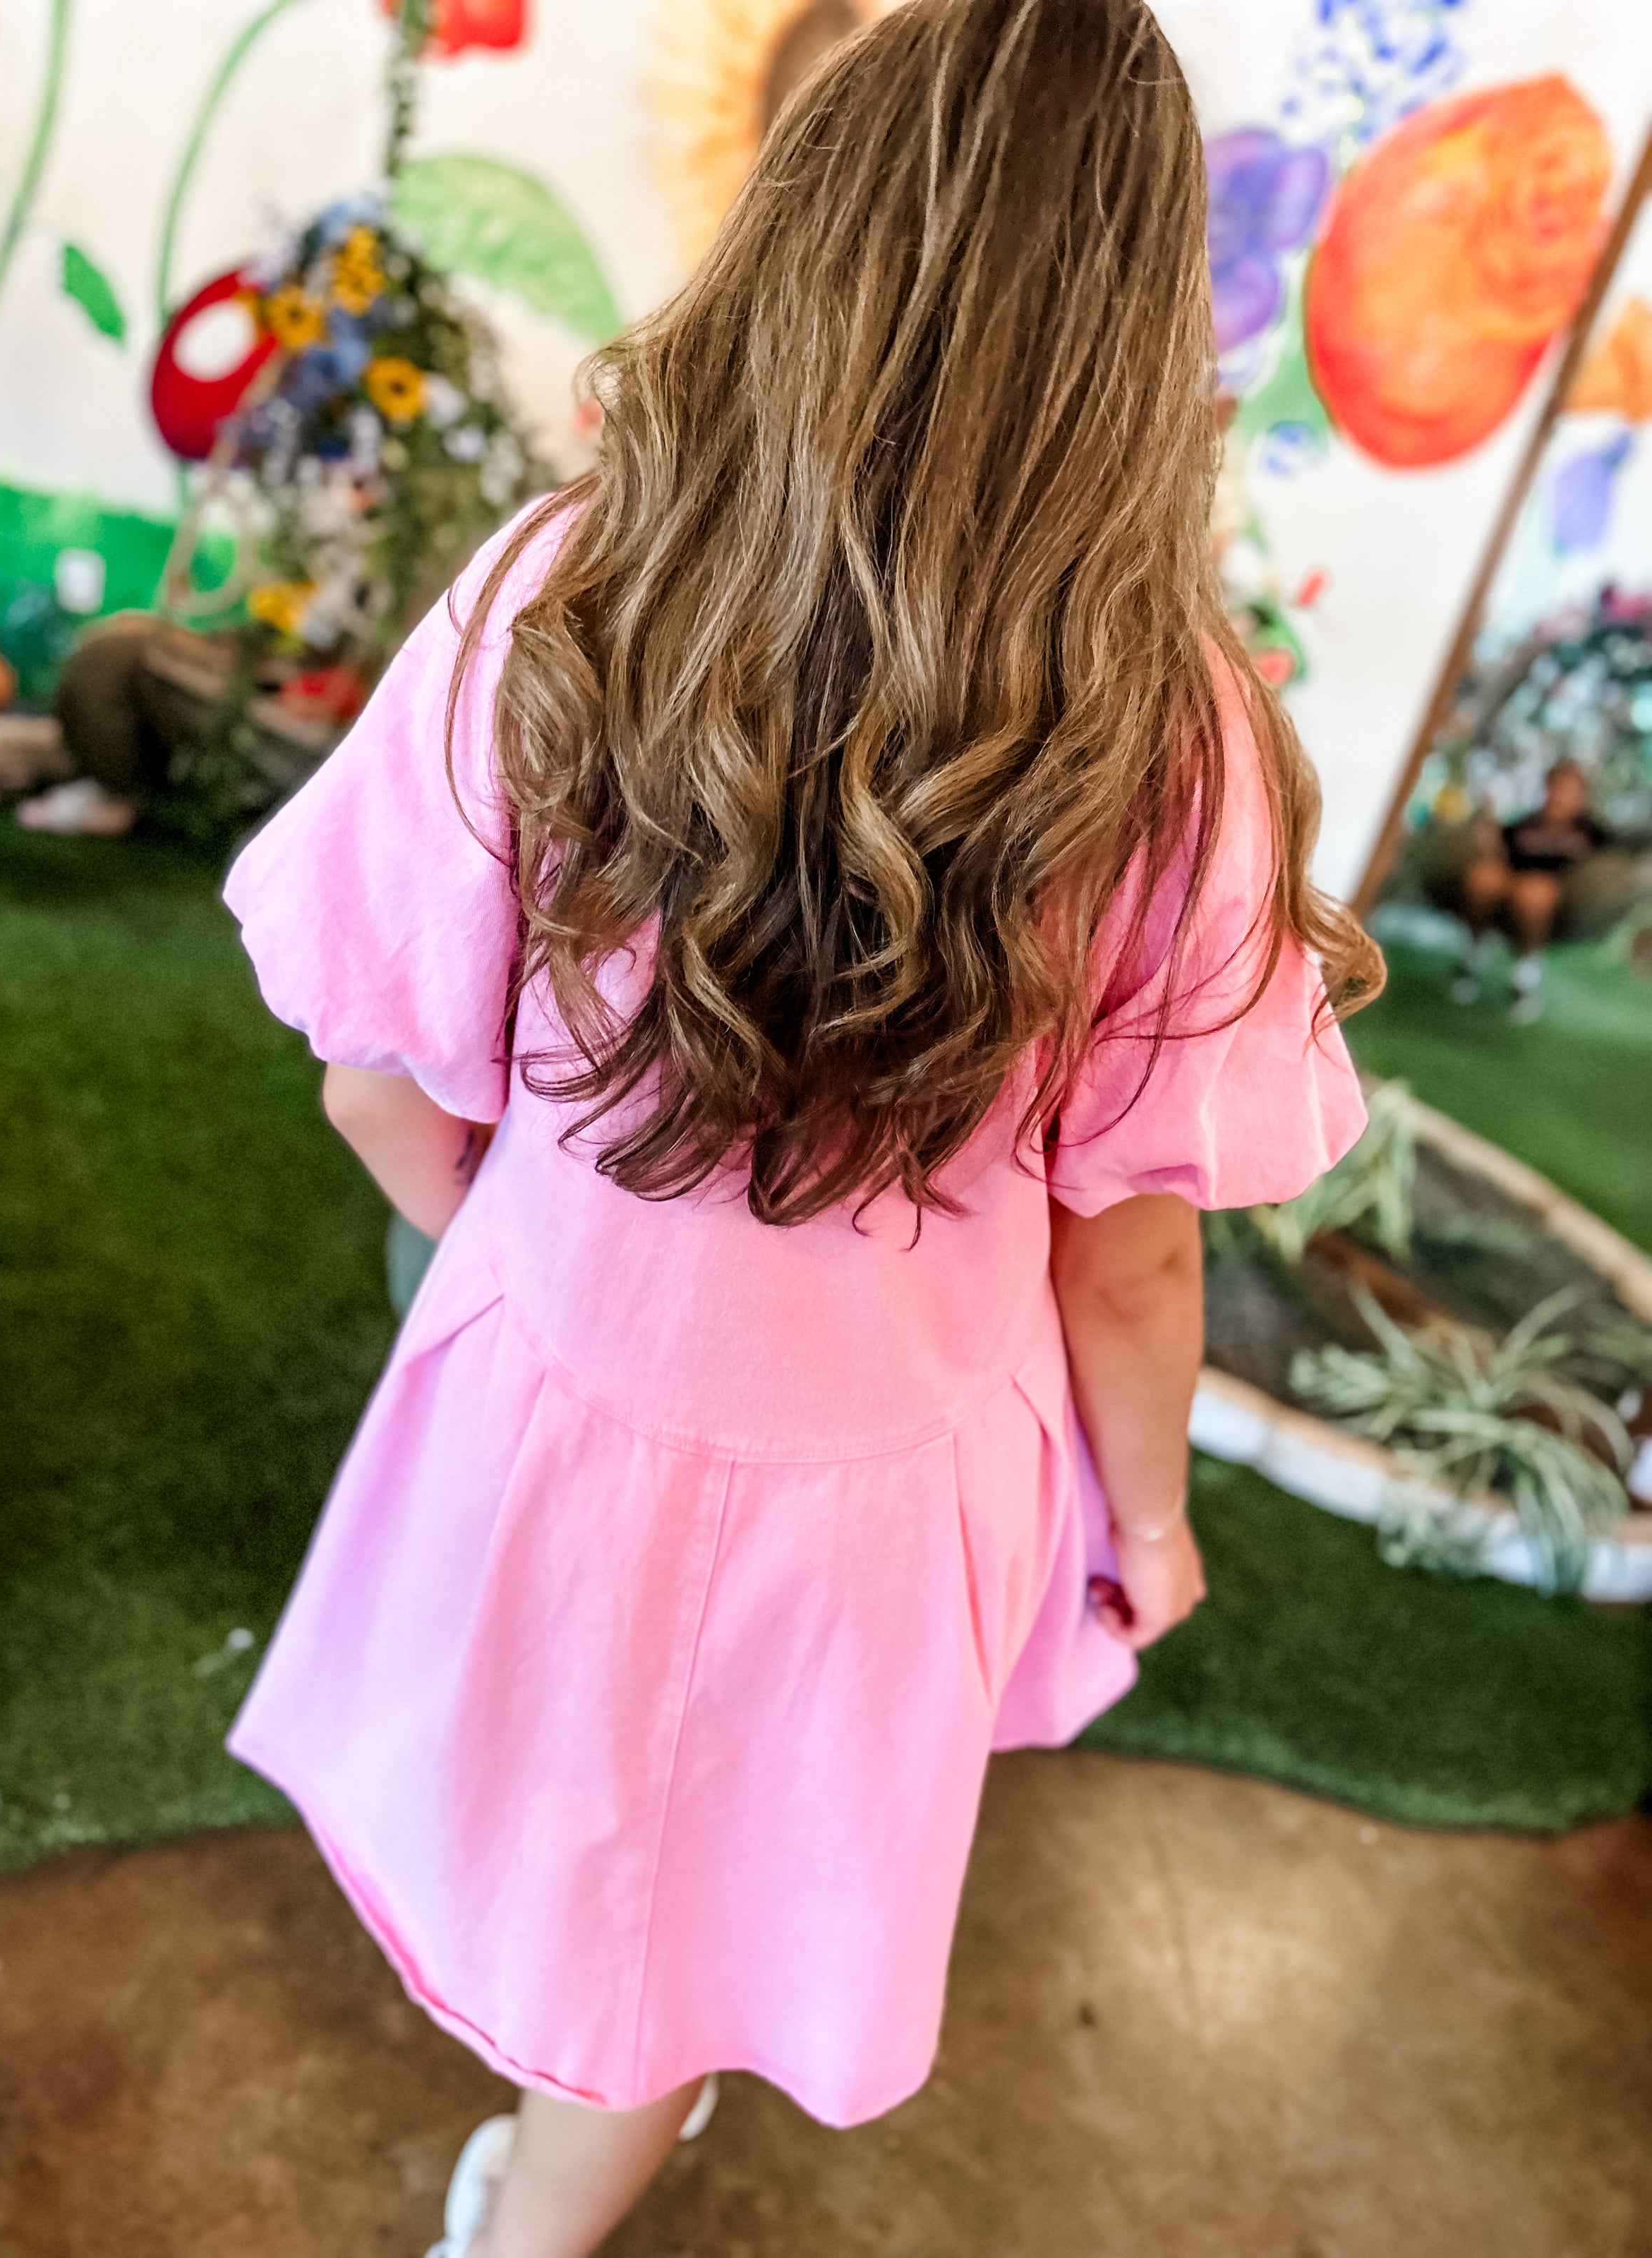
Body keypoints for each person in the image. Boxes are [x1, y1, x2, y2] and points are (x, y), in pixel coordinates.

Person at [221, 4, 1380, 2252]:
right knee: (669, 1912)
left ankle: (552, 2144)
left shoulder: (564, 585)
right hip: (870, 1496)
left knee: (570, 1829)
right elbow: (1131, 1253)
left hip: (551, 1384)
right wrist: (1151, 1519)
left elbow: (373, 1072)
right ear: (1139, 329)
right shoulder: (1175, 746)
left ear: (805, 218)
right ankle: (526, 2224)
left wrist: (528, 1255)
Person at [1454, 759, 1611, 1022]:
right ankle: (1474, 954)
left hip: (1557, 904)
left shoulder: (1593, 833)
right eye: (1555, 788)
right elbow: (1501, 852)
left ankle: (1525, 976)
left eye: (1568, 791)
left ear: (1582, 797)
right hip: (1510, 887)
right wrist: (1487, 833)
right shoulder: (1526, 825)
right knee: (1483, 878)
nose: (1559, 797)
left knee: (1534, 892)